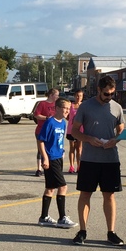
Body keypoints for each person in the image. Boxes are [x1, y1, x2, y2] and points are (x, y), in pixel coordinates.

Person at [70, 74, 125, 246]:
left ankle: (111, 232)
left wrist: (115, 140)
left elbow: (121, 131)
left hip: (110, 159)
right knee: (85, 194)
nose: (109, 97)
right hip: (89, 159)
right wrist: (87, 139)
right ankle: (82, 231)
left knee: (109, 195)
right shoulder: (86, 107)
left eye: (112, 94)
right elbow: (74, 131)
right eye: (106, 94)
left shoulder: (117, 108)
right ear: (99, 90)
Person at [37, 98, 76, 228]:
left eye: (68, 109)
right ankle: (62, 218)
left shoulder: (63, 123)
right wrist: (45, 158)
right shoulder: (50, 123)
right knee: (63, 186)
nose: (67, 111)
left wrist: (63, 150)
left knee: (50, 188)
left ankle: (44, 217)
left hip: (58, 157)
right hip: (51, 158)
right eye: (65, 108)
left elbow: (59, 140)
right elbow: (41, 140)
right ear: (57, 108)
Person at [33, 87, 59, 176]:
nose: (58, 97)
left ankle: (49, 167)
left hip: (53, 130)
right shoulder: (42, 104)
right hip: (41, 129)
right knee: (40, 150)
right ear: (51, 95)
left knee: (51, 149)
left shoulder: (56, 104)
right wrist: (46, 118)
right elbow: (36, 115)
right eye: (56, 95)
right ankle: (39, 169)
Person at [67, 89, 84, 174]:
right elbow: (67, 116)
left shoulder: (84, 106)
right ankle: (71, 166)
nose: (79, 97)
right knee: (72, 148)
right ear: (74, 96)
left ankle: (79, 166)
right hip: (71, 130)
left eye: (80, 96)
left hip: (81, 130)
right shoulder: (71, 105)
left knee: (79, 148)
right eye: (77, 95)